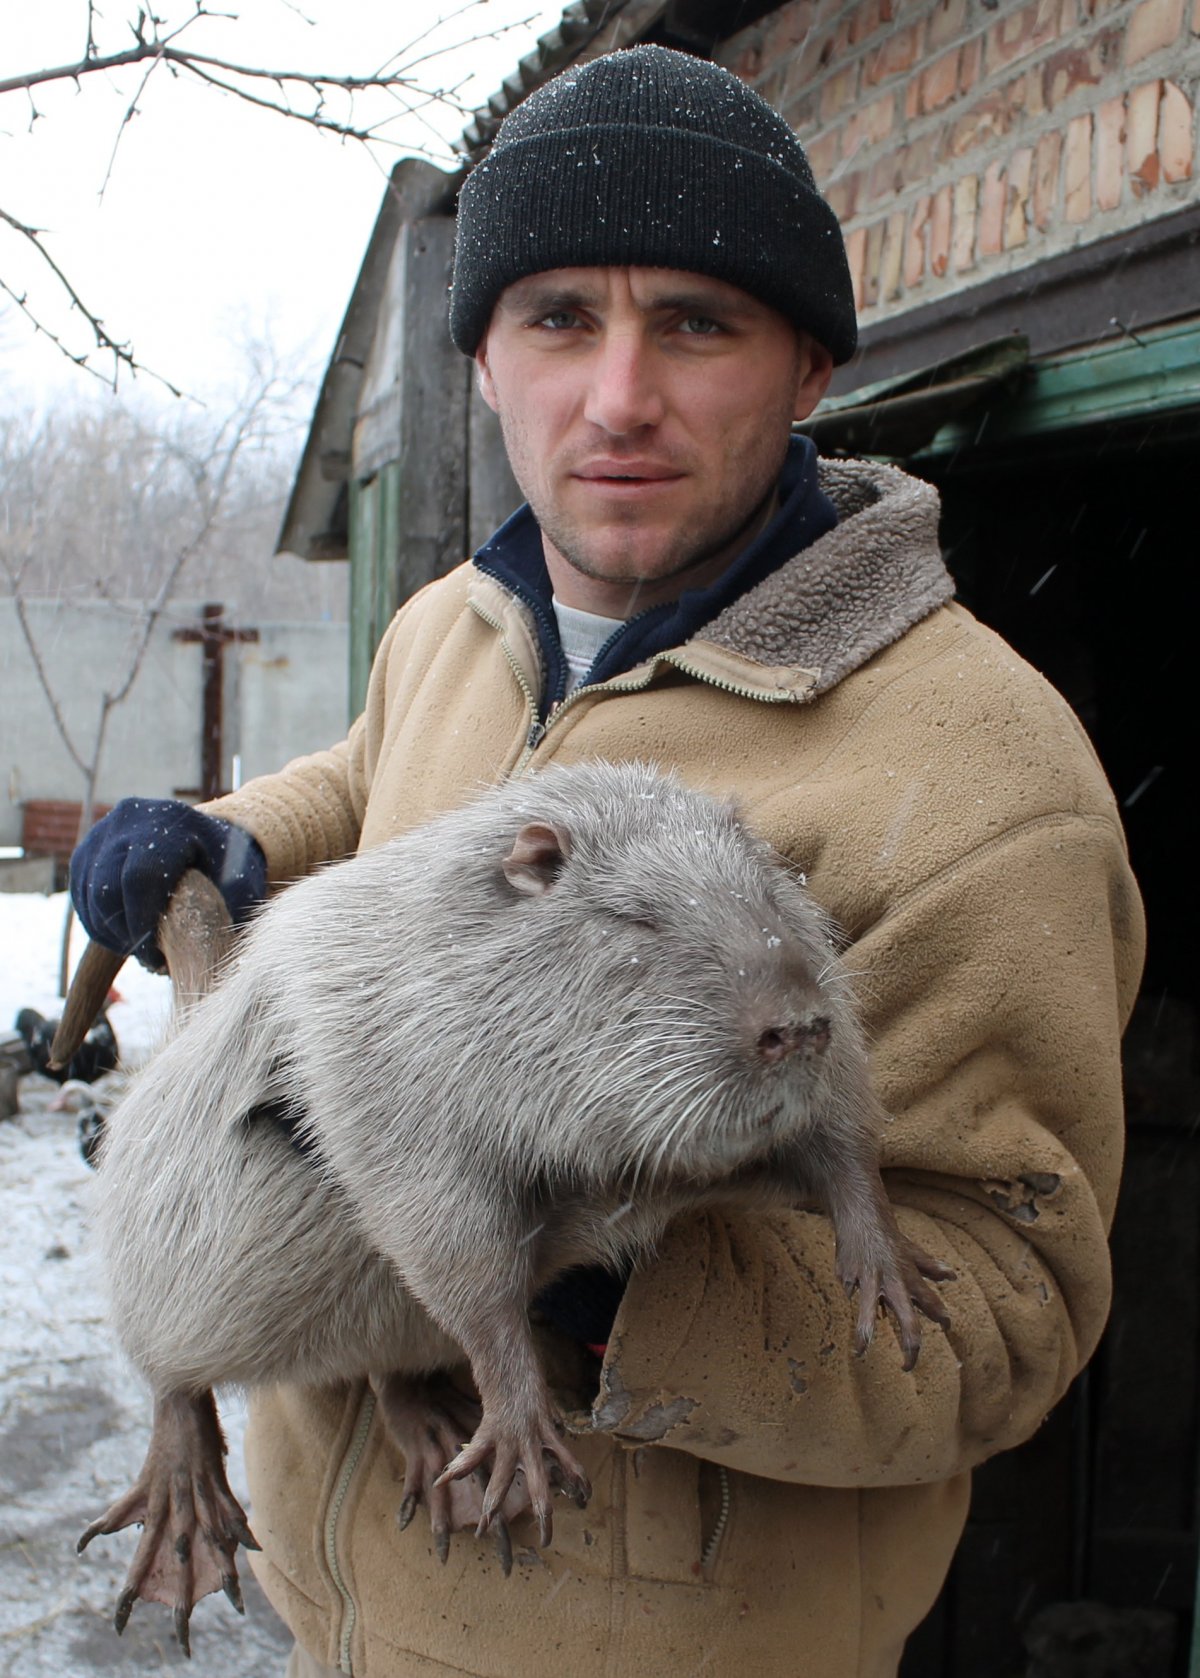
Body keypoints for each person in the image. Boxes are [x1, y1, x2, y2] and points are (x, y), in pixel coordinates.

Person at [70, 44, 1144, 1678]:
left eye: (697, 323)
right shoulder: (462, 620)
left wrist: (566, 1267)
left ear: (805, 369)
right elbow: (379, 783)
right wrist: (235, 835)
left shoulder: (986, 774)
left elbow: (1008, 1317)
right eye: (559, 318)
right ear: (487, 362)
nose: (619, 395)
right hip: (341, 1602)